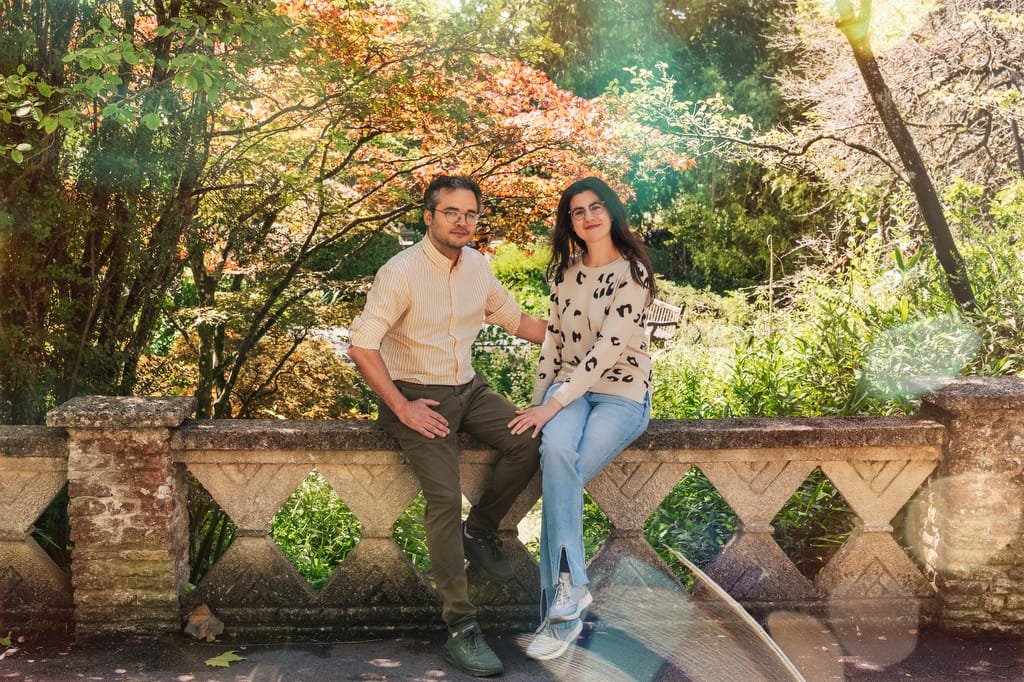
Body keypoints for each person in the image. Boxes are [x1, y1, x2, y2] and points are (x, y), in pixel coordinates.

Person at [347, 175, 547, 678]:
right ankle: (461, 626)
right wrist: (403, 407)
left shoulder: (478, 265)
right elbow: (361, 345)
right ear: (428, 216)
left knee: (531, 438)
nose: (462, 221)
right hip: (416, 395)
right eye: (451, 212)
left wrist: (595, 337)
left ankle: (479, 532)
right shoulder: (401, 272)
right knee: (442, 498)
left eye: (471, 213)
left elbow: (519, 322)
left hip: (469, 388)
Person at [508, 176, 655, 661]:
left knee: (560, 474)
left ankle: (558, 613)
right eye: (577, 211)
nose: (588, 216)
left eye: (596, 207)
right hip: (567, 393)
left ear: (611, 213)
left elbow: (608, 350)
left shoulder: (633, 273)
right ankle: (566, 607)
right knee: (555, 453)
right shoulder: (564, 274)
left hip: (620, 395)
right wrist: (540, 405)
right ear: (568, 222)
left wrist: (553, 403)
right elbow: (552, 346)